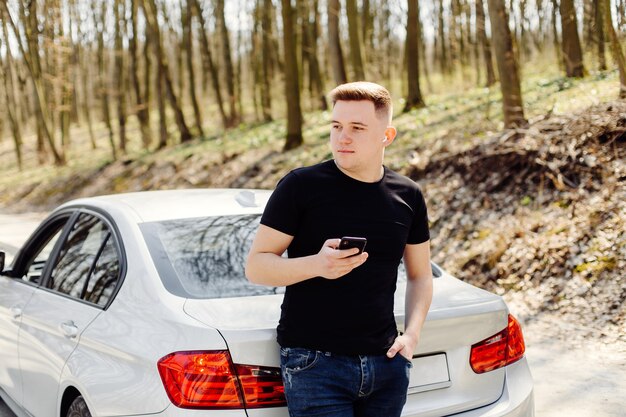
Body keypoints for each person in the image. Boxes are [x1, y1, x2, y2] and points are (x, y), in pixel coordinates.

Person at [245, 81, 433, 417]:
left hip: (387, 363)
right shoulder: (300, 186)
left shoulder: (408, 195)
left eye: (357, 128)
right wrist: (317, 265)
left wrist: (413, 336)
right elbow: (257, 266)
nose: (342, 137)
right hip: (315, 365)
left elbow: (420, 275)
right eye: (336, 126)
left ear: (386, 136)